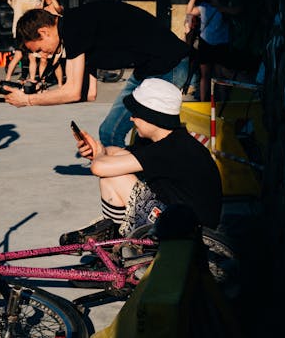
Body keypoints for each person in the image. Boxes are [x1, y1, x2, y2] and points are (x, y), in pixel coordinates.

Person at [4, 1, 190, 147]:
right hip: (147, 70)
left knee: (153, 136)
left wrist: (28, 100)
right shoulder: (78, 29)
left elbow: (72, 92)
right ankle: (135, 186)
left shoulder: (72, 27)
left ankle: (159, 186)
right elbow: (89, 93)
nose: (44, 54)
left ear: (43, 32)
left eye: (40, 49)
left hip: (168, 64)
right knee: (110, 132)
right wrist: (37, 93)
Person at [59, 78, 222, 245]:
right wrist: (97, 150)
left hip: (192, 233)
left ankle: (114, 242)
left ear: (151, 117)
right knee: (113, 167)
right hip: (178, 218)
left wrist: (100, 157)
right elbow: (117, 154)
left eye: (135, 114)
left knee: (115, 177)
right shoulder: (167, 140)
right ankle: (112, 236)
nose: (131, 119)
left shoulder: (171, 149)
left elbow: (99, 168)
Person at [186, 0, 230, 102]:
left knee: (219, 74)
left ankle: (221, 102)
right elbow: (189, 12)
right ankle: (203, 101)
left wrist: (218, 3)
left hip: (221, 43)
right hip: (206, 42)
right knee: (205, 75)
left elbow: (236, 11)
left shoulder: (225, 6)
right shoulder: (204, 6)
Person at [5, 0, 44, 83]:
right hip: (19, 32)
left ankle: (32, 79)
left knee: (32, 56)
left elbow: (42, 7)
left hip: (30, 33)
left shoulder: (35, 1)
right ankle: (7, 78)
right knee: (18, 56)